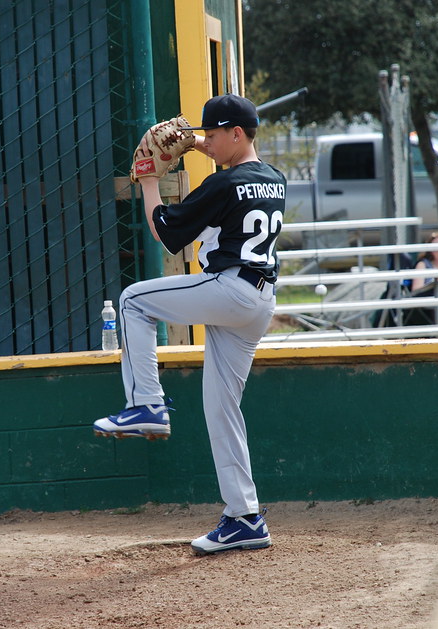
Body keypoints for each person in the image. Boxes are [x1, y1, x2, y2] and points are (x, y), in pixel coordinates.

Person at [92, 94, 284, 555]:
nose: (207, 143)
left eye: (213, 135)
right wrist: (199, 142)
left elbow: (165, 231)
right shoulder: (274, 179)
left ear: (236, 134)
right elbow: (236, 173)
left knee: (134, 300)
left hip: (231, 289)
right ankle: (245, 517)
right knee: (222, 408)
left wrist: (148, 179)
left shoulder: (225, 185)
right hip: (259, 302)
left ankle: (147, 404)